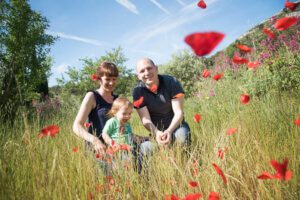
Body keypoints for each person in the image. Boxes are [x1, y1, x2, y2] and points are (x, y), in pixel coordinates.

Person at [132, 58, 191, 147]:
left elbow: (179, 113)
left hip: (177, 126)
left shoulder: (172, 82)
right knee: (146, 149)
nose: (147, 73)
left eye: (149, 68)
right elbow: (145, 119)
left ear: (156, 68)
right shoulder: (137, 92)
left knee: (181, 138)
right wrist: (157, 133)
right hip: (157, 131)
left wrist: (169, 131)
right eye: (142, 71)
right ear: (138, 76)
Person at [72, 61, 119, 154]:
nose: (111, 82)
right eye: (108, 79)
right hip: (98, 150)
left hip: (115, 148)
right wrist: (95, 141)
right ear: (99, 79)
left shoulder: (117, 99)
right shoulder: (92, 96)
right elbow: (76, 126)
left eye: (114, 79)